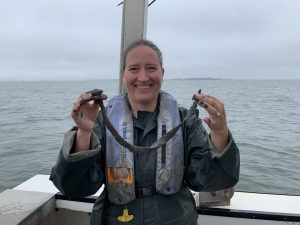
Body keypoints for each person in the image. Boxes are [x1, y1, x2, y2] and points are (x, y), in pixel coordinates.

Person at [50, 39, 240, 225]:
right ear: (123, 74)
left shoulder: (186, 121)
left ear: (162, 73)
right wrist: (84, 131)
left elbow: (209, 181)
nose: (143, 77)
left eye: (151, 68)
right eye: (133, 69)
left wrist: (220, 132)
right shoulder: (103, 120)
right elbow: (74, 187)